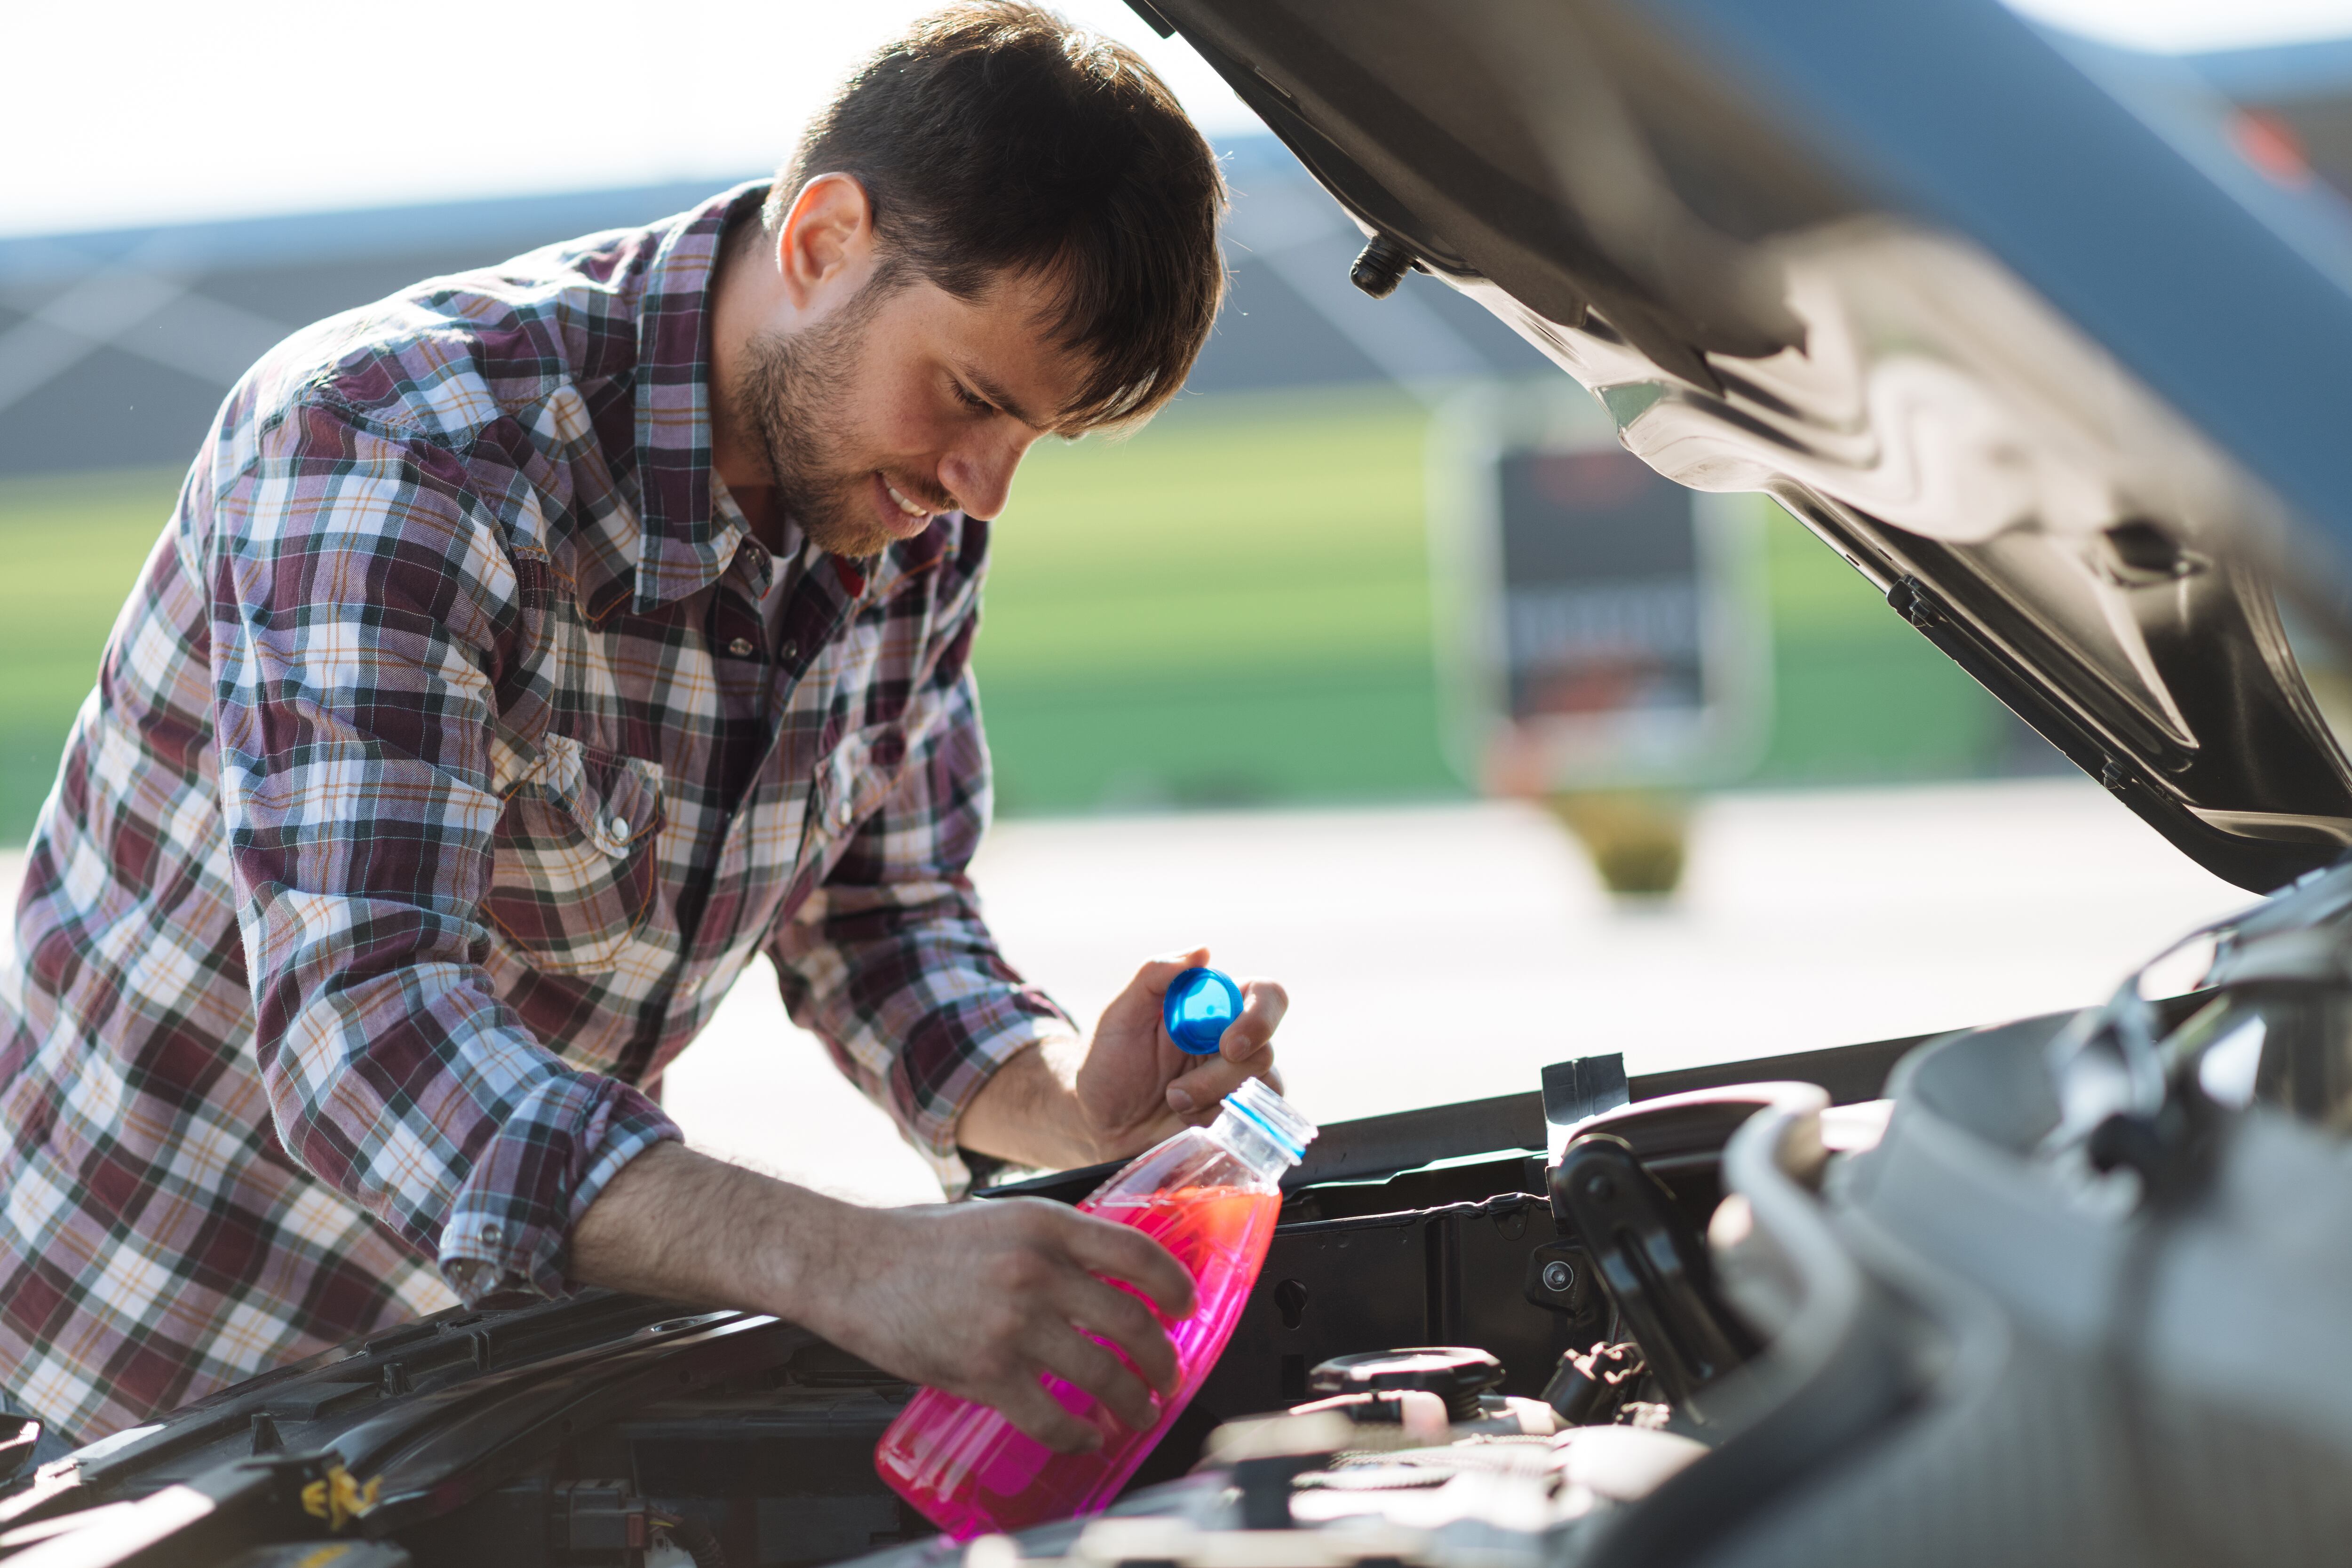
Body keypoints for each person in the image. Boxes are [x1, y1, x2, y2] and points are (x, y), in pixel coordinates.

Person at [0, 1, 1282, 1463]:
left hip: (472, 1406)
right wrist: (850, 1262)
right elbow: (370, 1030)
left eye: (1030, 438)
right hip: (115, 1411)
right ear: (825, 241)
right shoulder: (401, 444)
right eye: (973, 398)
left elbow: (882, 922)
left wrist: (1073, 1113)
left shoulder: (902, 510)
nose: (984, 488)